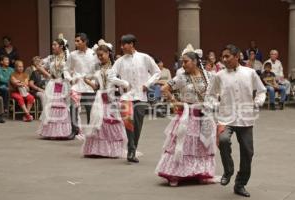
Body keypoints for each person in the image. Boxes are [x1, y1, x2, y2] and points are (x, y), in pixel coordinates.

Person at [206, 44, 266, 197]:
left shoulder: (250, 73)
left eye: (227, 56)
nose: (224, 59)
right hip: (226, 118)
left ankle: (240, 184)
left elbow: (262, 91)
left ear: (237, 56)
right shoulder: (219, 75)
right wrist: (216, 105)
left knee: (248, 152)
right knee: (224, 140)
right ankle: (228, 170)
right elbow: (210, 95)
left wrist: (257, 103)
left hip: (246, 119)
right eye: (223, 57)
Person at [155, 44, 216, 186]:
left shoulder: (208, 76)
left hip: (204, 114)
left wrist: (211, 103)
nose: (183, 64)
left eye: (186, 61)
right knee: (184, 144)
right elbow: (165, 88)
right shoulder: (181, 77)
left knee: (202, 145)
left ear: (195, 62)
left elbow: (215, 91)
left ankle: (199, 172)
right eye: (182, 61)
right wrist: (175, 102)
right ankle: (175, 174)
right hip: (187, 115)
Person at [112, 34, 161, 163]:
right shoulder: (120, 61)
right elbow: (111, 76)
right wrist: (124, 83)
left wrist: (148, 83)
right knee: (128, 121)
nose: (122, 47)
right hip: (126, 96)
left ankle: (132, 148)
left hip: (141, 96)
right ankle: (131, 149)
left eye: (124, 44)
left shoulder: (145, 58)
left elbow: (157, 72)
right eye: (121, 44)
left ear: (132, 44)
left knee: (138, 124)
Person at [82, 40, 129, 158]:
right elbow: (86, 77)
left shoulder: (115, 67)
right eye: (98, 56)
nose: (100, 57)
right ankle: (98, 150)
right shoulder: (97, 67)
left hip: (112, 98)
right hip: (100, 98)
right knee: (99, 121)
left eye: (101, 55)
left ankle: (112, 151)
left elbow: (122, 82)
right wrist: (94, 86)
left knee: (111, 122)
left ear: (108, 53)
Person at [64, 33, 99, 139]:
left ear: (85, 42)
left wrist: (95, 81)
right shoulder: (73, 55)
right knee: (73, 107)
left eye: (78, 41)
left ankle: (90, 131)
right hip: (76, 86)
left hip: (89, 86)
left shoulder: (93, 54)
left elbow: (97, 69)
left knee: (90, 108)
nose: (76, 43)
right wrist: (69, 79)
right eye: (75, 41)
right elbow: (66, 68)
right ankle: (74, 130)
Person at [37, 38, 72, 139]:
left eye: (55, 45)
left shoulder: (67, 57)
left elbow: (72, 69)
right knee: (51, 106)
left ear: (61, 46)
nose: (53, 47)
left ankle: (64, 131)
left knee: (62, 106)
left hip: (63, 84)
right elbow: (38, 65)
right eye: (52, 45)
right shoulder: (51, 58)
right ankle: (50, 132)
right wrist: (48, 74)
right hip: (53, 84)